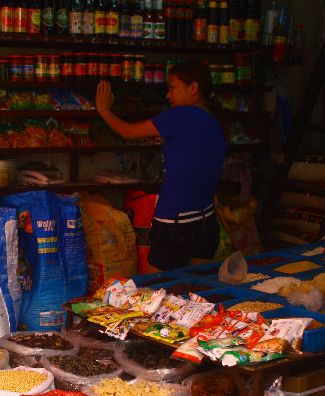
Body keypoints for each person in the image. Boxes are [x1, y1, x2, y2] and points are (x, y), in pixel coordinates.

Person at [95, 59, 228, 272]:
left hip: (175, 224)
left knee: (157, 294)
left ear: (193, 88)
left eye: (173, 88)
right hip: (206, 223)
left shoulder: (184, 115)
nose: (168, 95)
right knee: (191, 294)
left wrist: (104, 110)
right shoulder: (215, 120)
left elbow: (127, 132)